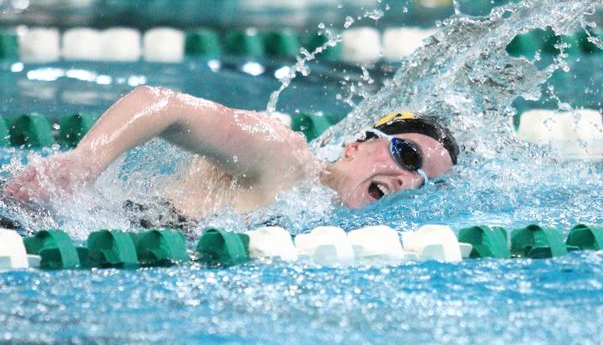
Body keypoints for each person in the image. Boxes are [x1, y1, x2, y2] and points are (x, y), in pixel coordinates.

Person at [2, 85, 458, 230]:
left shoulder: (322, 218)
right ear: (357, 144)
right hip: (54, 221)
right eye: (408, 155)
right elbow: (163, 103)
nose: (410, 180)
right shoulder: (282, 157)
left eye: (426, 181)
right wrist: (83, 164)